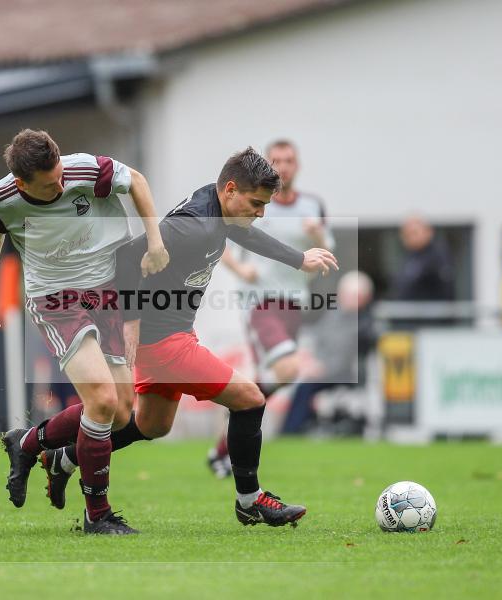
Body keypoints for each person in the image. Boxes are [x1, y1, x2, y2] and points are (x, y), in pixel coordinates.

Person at [37, 147, 338, 528]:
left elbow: (244, 233)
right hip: (165, 343)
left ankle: (63, 457)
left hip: (172, 334)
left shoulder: (217, 206)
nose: (261, 213)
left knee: (153, 425)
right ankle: (249, 500)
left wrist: (298, 258)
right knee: (250, 399)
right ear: (231, 189)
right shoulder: (193, 227)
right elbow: (127, 259)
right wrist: (131, 321)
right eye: (256, 204)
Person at [0, 129, 169, 535]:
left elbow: (137, 181)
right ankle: (98, 514)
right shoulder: (0, 200)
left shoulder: (85, 169)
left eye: (61, 175)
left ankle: (30, 444)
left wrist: (155, 241)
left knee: (120, 412)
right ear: (22, 183)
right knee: (101, 399)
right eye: (50, 185)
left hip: (108, 293)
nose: (61, 186)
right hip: (55, 299)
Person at [211, 139, 333, 476]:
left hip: (294, 303)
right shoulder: (252, 202)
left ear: (298, 165)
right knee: (289, 368)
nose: (283, 166)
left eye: (289, 160)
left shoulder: (312, 205)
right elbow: (220, 239)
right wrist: (241, 270)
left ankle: (229, 431)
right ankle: (237, 417)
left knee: (275, 378)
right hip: (259, 302)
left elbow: (327, 252)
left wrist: (317, 236)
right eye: (276, 160)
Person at [282, 271, 375, 435]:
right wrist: (311, 362)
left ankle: (291, 431)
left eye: (353, 295)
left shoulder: (364, 324)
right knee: (296, 381)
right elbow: (319, 338)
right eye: (345, 294)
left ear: (364, 297)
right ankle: (296, 428)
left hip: (342, 375)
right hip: (323, 369)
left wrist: (322, 368)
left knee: (304, 388)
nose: (346, 298)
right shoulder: (334, 315)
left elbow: (345, 358)